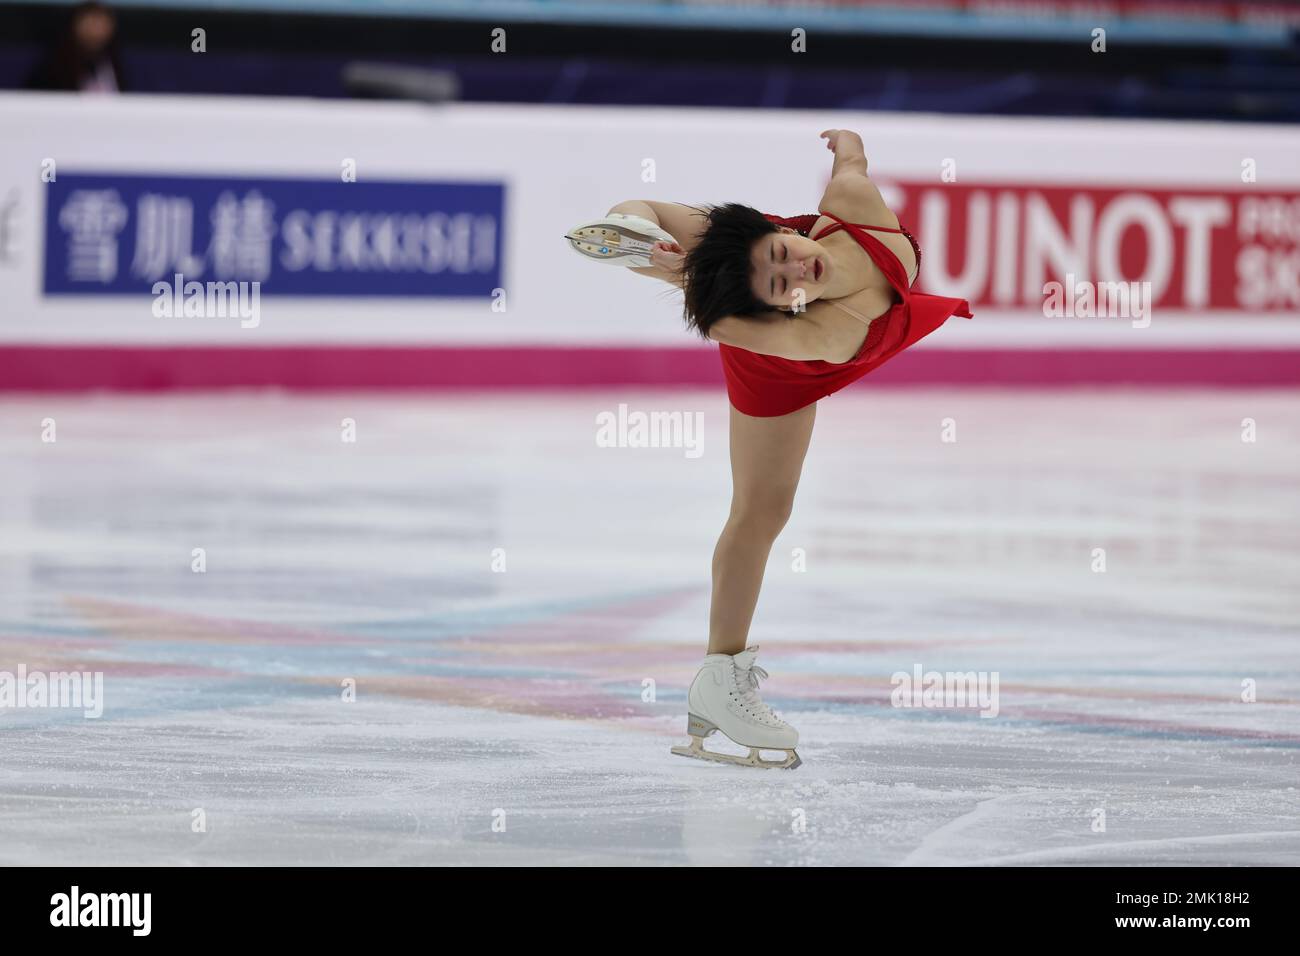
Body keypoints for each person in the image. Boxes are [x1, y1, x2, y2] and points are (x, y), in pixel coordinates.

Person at [565, 129, 973, 768]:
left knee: (714, 252)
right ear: (776, 302)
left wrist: (847, 145)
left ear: (784, 234)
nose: (797, 268)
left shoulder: (848, 204)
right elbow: (724, 323)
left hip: (763, 284)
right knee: (761, 512)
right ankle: (720, 678)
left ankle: (668, 248)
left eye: (785, 254)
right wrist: (660, 255)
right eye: (782, 280)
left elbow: (852, 161)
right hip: (777, 353)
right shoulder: (817, 331)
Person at [27, 1, 125, 93]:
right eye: (90, 22)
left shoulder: (114, 63)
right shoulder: (54, 66)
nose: (95, 31)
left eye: (101, 24)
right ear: (75, 25)